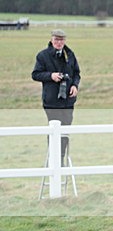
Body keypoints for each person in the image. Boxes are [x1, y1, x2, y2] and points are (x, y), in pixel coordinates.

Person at [31, 29, 81, 162]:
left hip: (68, 101)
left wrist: (75, 85)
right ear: (51, 40)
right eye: (56, 40)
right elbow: (35, 74)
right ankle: (54, 160)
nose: (59, 43)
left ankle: (61, 159)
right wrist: (50, 76)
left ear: (65, 41)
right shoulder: (43, 56)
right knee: (54, 129)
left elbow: (76, 73)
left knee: (65, 130)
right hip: (51, 101)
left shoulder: (70, 54)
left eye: (61, 40)